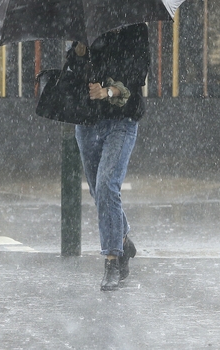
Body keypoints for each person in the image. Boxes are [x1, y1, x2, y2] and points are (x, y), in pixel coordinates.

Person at [67, 23, 149, 291]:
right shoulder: (88, 25)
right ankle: (123, 239)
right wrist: (79, 54)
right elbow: (76, 74)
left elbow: (138, 74)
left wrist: (109, 90)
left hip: (122, 120)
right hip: (88, 121)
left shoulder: (136, 29)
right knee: (97, 190)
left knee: (106, 185)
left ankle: (113, 261)